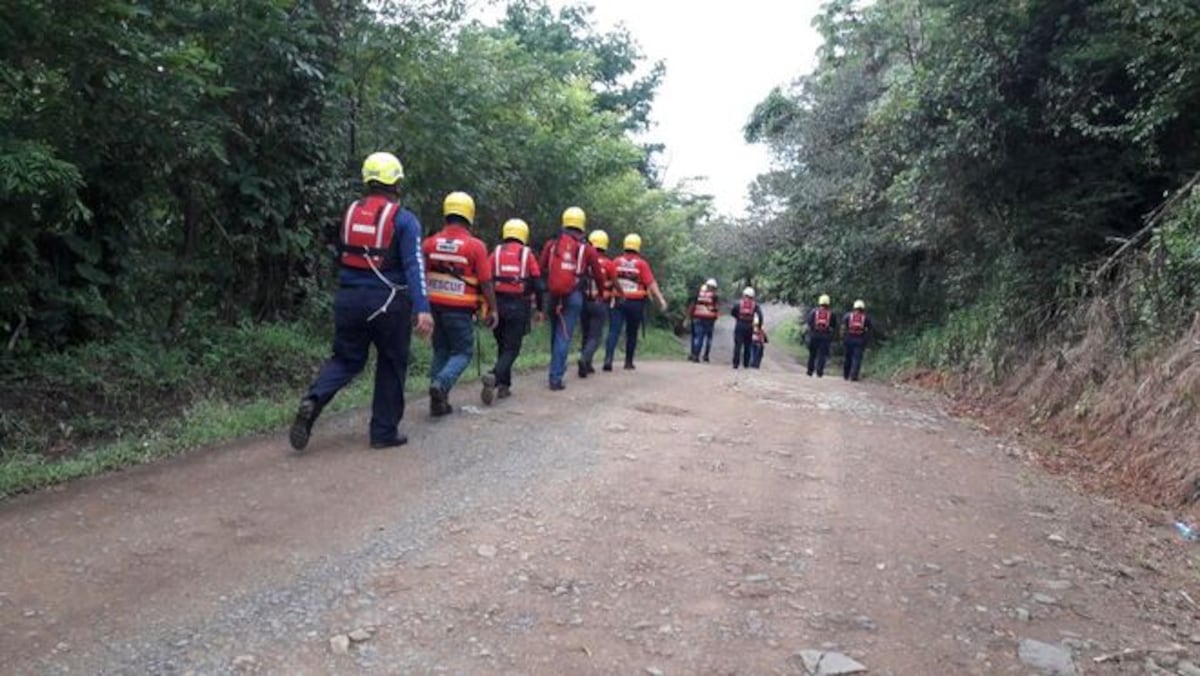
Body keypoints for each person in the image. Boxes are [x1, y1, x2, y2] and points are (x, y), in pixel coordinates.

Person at [289, 151, 433, 451]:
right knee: (392, 363)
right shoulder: (404, 220)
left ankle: (314, 400)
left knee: (346, 359)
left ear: (367, 180)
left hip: (349, 298)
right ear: (396, 182)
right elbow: (414, 265)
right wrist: (422, 308)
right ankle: (383, 432)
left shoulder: (349, 213)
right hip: (388, 303)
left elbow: (337, 254)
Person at [423, 191, 498, 416]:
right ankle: (441, 385)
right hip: (460, 310)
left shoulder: (429, 243)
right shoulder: (475, 246)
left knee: (441, 350)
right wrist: (493, 308)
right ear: (470, 216)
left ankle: (438, 402)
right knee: (463, 353)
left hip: (434, 307)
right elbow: (485, 281)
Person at [540, 207, 608, 391]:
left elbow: (541, 268)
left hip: (554, 294)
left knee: (555, 333)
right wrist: (601, 293)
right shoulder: (587, 250)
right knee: (564, 335)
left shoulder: (551, 244)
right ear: (582, 226)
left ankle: (554, 369)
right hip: (573, 296)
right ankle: (555, 377)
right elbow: (599, 276)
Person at [483, 218, 544, 402]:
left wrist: (484, 307)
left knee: (503, 346)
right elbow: (538, 283)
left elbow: (485, 277)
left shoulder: (497, 252)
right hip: (519, 305)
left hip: (497, 305)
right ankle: (495, 376)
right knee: (512, 349)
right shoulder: (527, 254)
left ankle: (504, 386)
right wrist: (539, 309)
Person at [603, 233, 668, 371]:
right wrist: (661, 300)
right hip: (635, 303)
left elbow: (607, 280)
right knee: (632, 332)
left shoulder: (616, 261)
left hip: (618, 301)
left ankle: (608, 359)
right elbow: (651, 283)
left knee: (613, 330)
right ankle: (628, 362)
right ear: (638, 247)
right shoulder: (641, 264)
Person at [578, 229, 614, 378]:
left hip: (584, 301)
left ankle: (588, 363)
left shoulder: (584, 261)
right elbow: (614, 282)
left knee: (586, 333)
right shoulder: (608, 264)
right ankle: (585, 358)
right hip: (600, 302)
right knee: (595, 336)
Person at [687, 278, 720, 362]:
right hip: (708, 320)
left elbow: (692, 305)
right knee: (707, 338)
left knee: (696, 337)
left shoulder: (699, 294)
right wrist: (715, 317)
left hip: (697, 317)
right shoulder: (714, 296)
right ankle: (704, 355)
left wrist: (689, 316)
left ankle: (693, 354)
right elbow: (716, 308)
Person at [730, 287, 763, 369]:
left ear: (744, 294)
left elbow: (732, 312)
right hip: (749, 326)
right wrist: (759, 326)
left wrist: (738, 318)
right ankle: (746, 364)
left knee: (738, 345)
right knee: (747, 345)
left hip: (740, 325)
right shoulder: (755, 305)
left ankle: (735, 363)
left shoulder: (739, 304)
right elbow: (760, 316)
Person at [805, 293, 837, 377]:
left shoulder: (814, 312)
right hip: (825, 336)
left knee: (812, 354)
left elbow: (809, 324)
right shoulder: (831, 314)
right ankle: (819, 371)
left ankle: (810, 370)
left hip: (814, 335)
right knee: (822, 354)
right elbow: (833, 326)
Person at [842, 299, 873, 381]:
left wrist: (843, 338)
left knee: (848, 357)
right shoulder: (866, 318)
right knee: (857, 358)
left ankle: (846, 375)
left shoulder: (848, 316)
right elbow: (869, 330)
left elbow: (843, 328)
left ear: (854, 307)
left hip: (848, 339)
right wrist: (866, 340)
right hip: (860, 340)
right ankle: (854, 376)